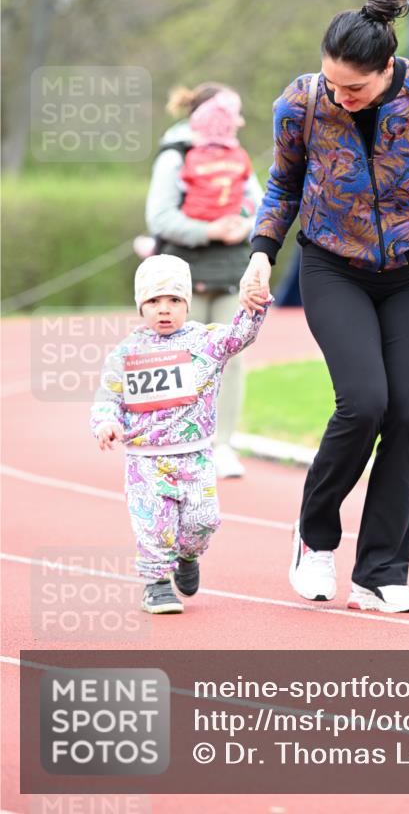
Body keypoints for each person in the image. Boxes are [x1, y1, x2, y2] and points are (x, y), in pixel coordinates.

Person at [239, 0, 409, 615]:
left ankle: (381, 571)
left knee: (407, 416)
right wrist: (261, 252)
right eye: (333, 83)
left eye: (354, 88)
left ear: (387, 67)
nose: (341, 96)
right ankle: (315, 538)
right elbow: (283, 184)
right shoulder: (301, 102)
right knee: (363, 403)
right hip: (333, 265)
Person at [91, 255, 272, 615]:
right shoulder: (126, 353)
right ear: (140, 305)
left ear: (187, 303)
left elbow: (240, 335)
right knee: (154, 526)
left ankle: (188, 556)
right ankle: (157, 584)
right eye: (154, 301)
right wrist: (106, 423)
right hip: (146, 461)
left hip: (195, 456)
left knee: (203, 521)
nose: (164, 309)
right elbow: (108, 397)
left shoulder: (206, 341)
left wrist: (253, 305)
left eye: (174, 300)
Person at [145, 82, 264, 479]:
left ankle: (222, 445)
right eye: (234, 113)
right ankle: (173, 445)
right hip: (182, 276)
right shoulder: (175, 155)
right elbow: (159, 216)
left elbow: (260, 205)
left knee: (231, 359)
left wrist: (243, 225)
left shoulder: (236, 156)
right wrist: (209, 231)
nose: (241, 122)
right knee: (179, 360)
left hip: (231, 272)